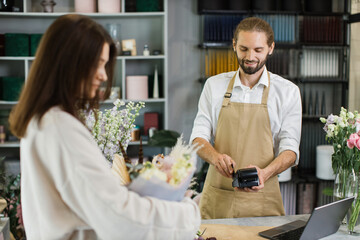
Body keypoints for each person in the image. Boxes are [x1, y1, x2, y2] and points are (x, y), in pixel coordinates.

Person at [9, 14, 200, 239]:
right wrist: (186, 213)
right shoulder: (60, 127)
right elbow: (119, 217)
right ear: (69, 61)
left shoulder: (41, 120)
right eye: (97, 63)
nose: (102, 75)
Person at [190, 17, 302, 219]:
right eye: (244, 49)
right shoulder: (214, 86)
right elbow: (198, 138)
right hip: (219, 197)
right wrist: (216, 158)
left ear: (271, 48)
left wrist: (265, 173)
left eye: (258, 50)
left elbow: (291, 149)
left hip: (263, 199)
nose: (250, 56)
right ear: (234, 45)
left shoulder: (288, 92)